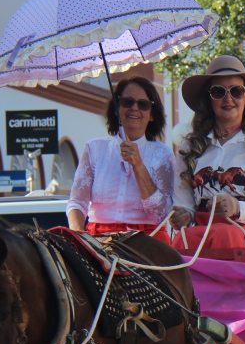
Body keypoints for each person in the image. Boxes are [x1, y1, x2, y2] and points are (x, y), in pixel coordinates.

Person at [169, 56, 245, 250]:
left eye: (236, 91)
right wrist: (183, 215)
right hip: (202, 240)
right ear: (209, 99)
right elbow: (184, 205)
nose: (228, 98)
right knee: (180, 245)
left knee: (225, 236)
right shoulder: (189, 148)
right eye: (218, 92)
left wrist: (238, 208)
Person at [66, 77, 174, 234]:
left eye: (143, 104)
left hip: (147, 242)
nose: (134, 108)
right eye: (127, 102)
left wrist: (138, 165)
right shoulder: (94, 148)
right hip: (99, 241)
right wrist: (78, 236)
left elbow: (161, 214)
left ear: (151, 115)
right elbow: (77, 202)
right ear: (117, 109)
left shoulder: (162, 154)